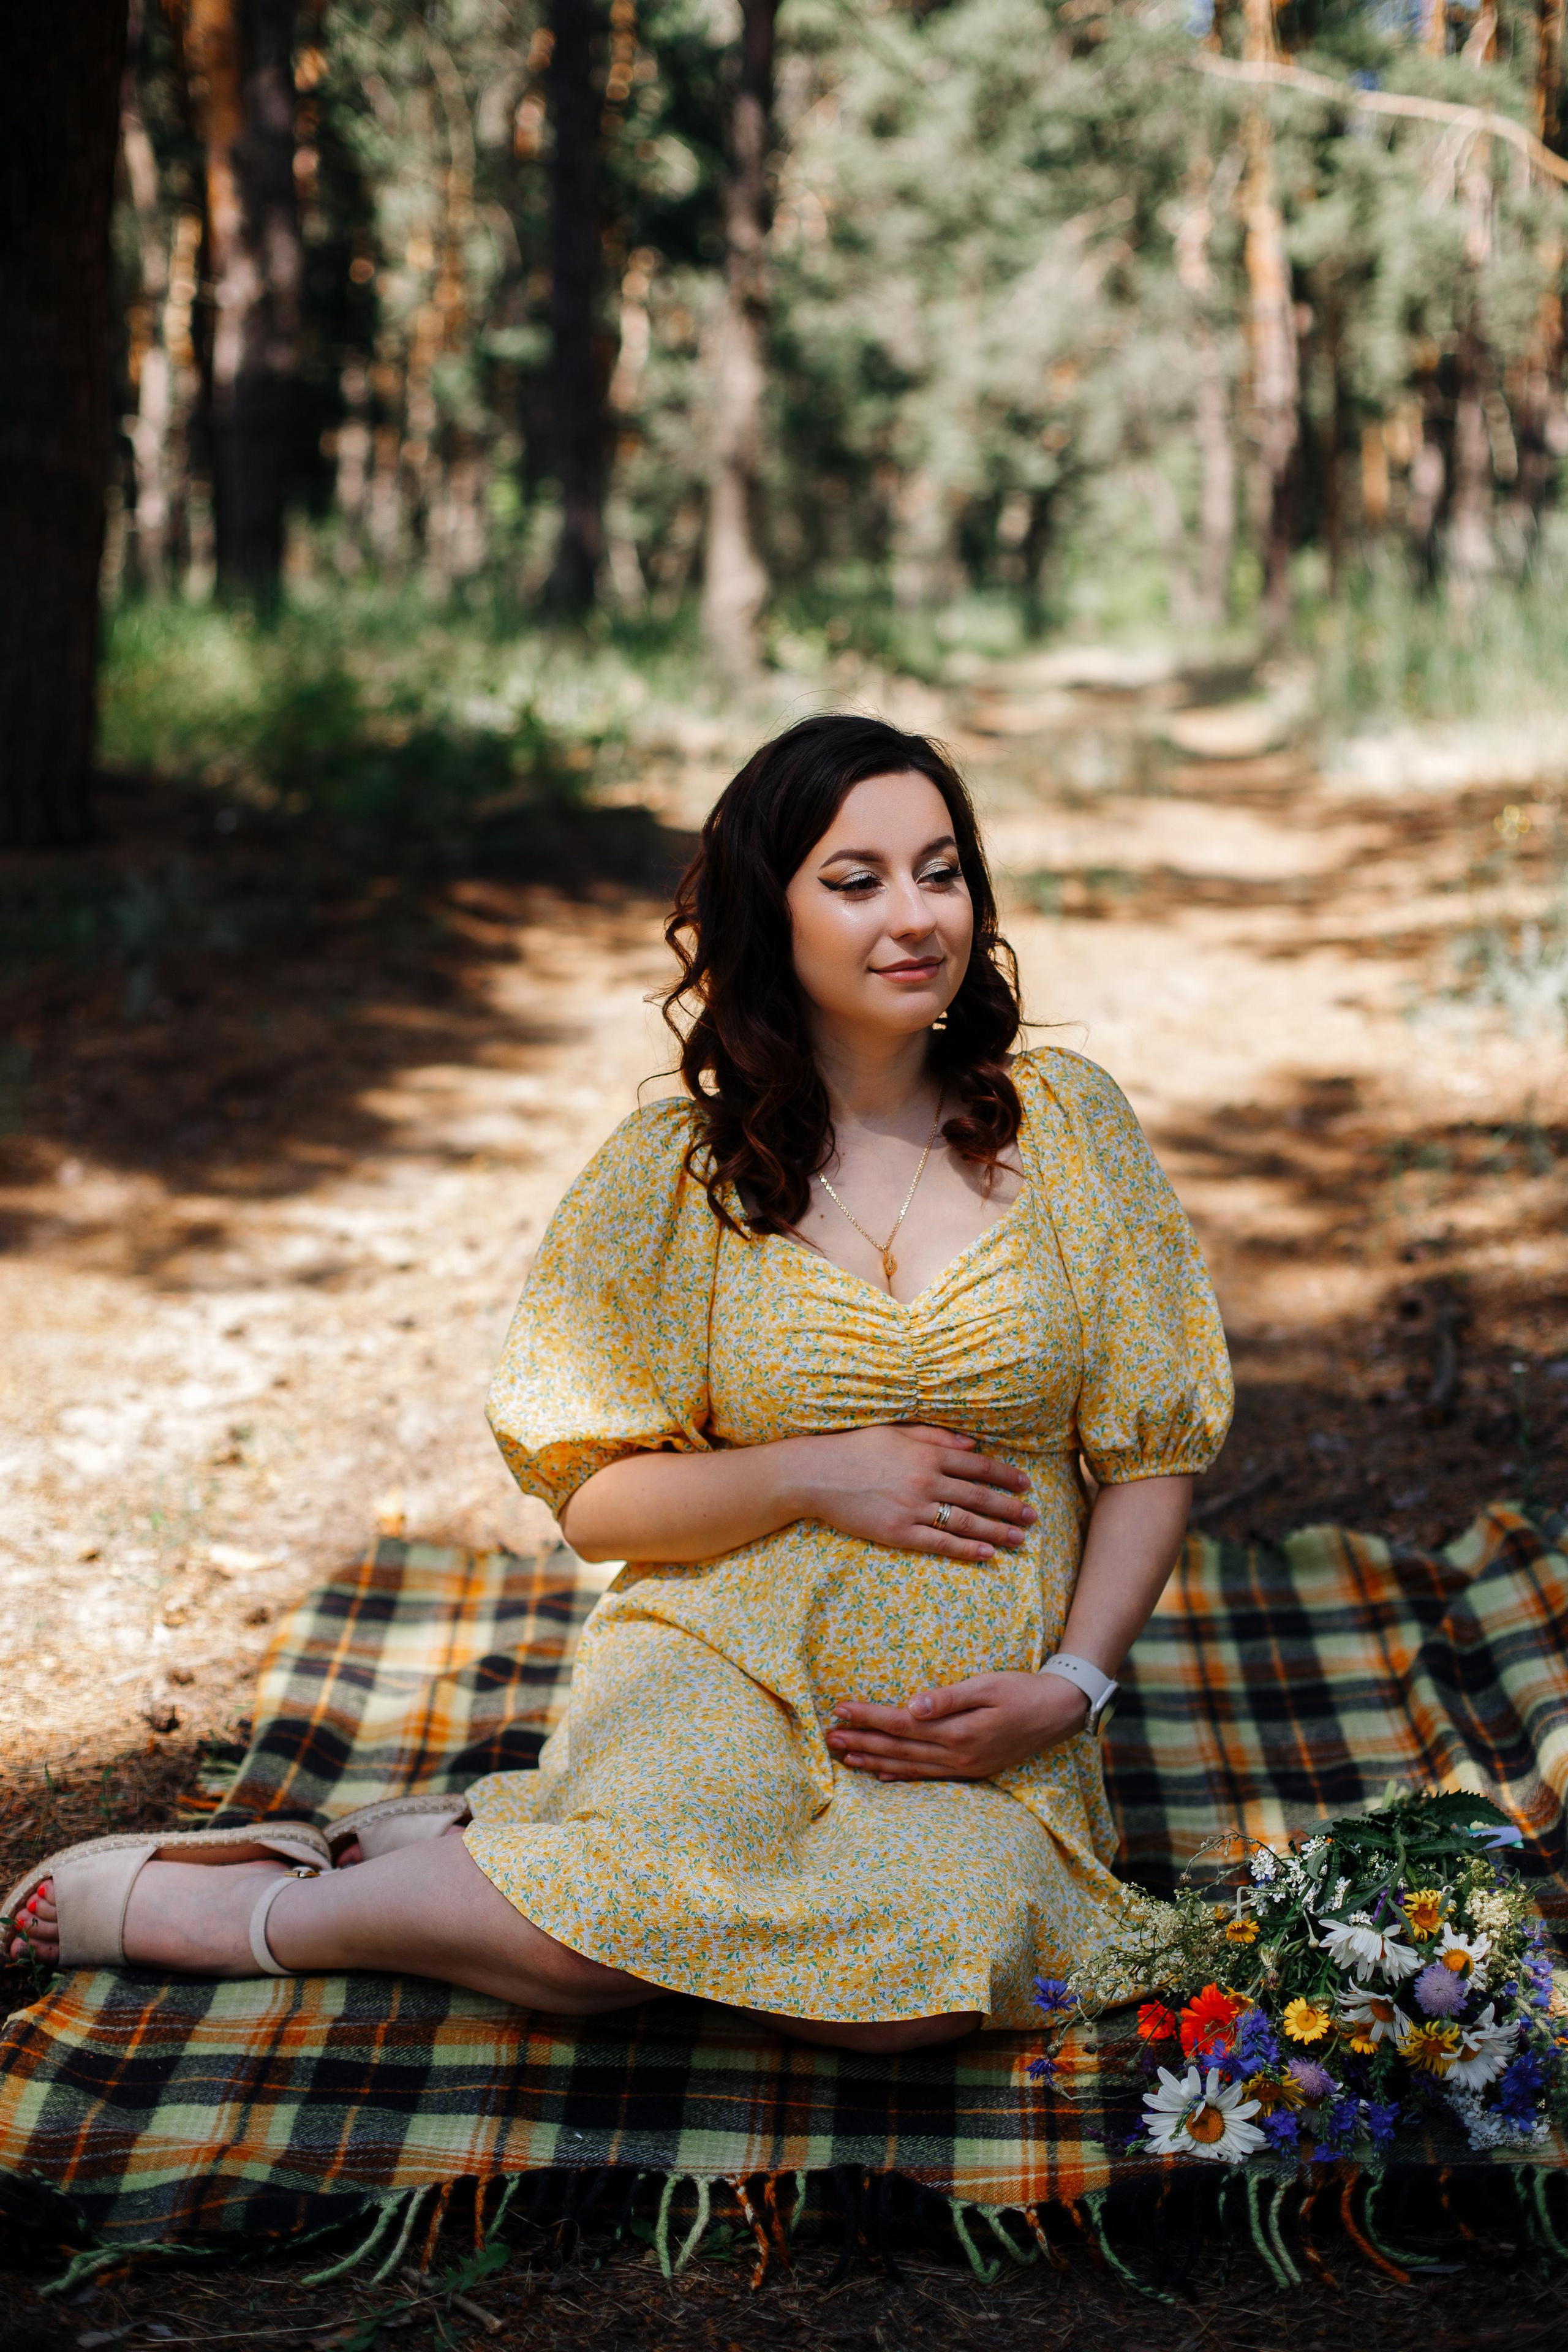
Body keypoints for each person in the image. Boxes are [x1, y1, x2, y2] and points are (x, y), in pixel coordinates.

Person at [6, 715, 1231, 2053]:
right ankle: (267, 1911)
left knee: (930, 1969)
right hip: (723, 1653)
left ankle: (481, 1862)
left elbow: (1152, 1451)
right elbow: (595, 1505)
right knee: (617, 1914)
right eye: (855, 880)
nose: (913, 916)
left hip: (966, 1717)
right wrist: (813, 1472)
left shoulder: (1066, 1127)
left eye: (940, 873)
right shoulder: (677, 1172)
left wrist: (1071, 1686)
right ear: (770, 914)